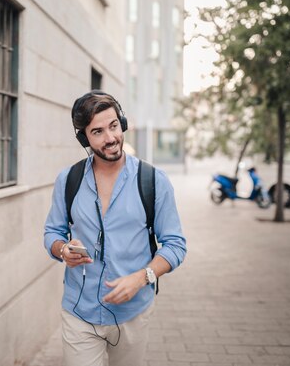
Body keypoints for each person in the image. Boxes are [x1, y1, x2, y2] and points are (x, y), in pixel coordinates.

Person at [44, 90, 187, 366]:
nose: (110, 138)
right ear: (84, 138)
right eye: (97, 131)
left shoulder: (154, 181)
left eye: (113, 126)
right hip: (79, 312)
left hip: (133, 313)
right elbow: (52, 232)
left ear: (122, 123)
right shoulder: (68, 179)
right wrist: (63, 249)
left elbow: (175, 245)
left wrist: (143, 277)